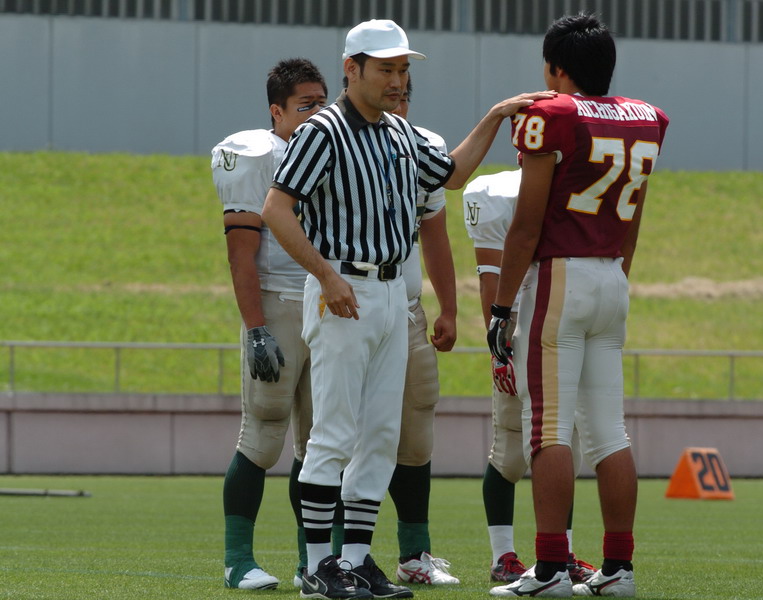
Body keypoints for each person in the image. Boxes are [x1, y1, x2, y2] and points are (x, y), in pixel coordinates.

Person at [261, 18, 553, 600]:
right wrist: (325, 274)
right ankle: (317, 566)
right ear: (352, 69)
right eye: (386, 69)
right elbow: (275, 208)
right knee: (333, 432)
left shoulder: (399, 132)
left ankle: (355, 559)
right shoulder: (323, 131)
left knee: (379, 433)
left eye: (402, 69)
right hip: (345, 286)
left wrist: (496, 116)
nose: (397, 80)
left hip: (392, 291)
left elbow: (452, 174)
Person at [485, 13, 668, 597]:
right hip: (612, 274)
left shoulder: (553, 115)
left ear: (556, 69)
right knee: (610, 433)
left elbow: (525, 227)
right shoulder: (647, 118)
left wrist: (501, 308)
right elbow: (634, 220)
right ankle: (619, 569)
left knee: (548, 429)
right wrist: (612, 276)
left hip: (560, 276)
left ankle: (550, 569)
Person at [211, 58, 328, 590]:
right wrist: (255, 327)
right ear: (276, 112)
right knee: (262, 435)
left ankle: (314, 562)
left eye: (322, 103)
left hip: (325, 306)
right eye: (305, 106)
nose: (316, 115)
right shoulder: (257, 154)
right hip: (278, 304)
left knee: (322, 444)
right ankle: (238, 560)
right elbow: (241, 253)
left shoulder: (333, 148)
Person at [463, 167, 596, 585]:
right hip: (519, 326)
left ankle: (563, 553)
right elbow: (491, 279)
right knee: (509, 451)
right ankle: (503, 555)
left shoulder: (579, 183)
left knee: (566, 445)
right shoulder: (496, 191)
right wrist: (498, 348)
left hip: (563, 322)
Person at [386, 78, 460, 586]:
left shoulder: (423, 148)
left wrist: (448, 308)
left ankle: (415, 554)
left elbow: (434, 234)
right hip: (347, 306)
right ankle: (329, 556)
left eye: (404, 94)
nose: (397, 101)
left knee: (415, 432)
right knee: (345, 433)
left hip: (408, 308)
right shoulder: (332, 136)